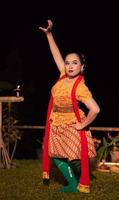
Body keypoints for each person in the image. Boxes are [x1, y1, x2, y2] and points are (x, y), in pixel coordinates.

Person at [39, 19, 100, 193]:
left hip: (72, 123)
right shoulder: (63, 76)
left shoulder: (80, 86)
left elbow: (95, 109)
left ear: (82, 66)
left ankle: (82, 180)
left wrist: (83, 124)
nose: (70, 65)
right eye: (68, 63)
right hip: (55, 121)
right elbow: (56, 54)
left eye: (74, 63)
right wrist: (49, 35)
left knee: (74, 158)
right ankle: (72, 184)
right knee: (56, 155)